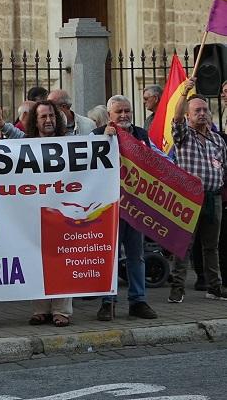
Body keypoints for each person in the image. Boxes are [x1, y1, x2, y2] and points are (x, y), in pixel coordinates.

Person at [92, 95, 159, 321]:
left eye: (127, 111)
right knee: (109, 255)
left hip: (135, 206)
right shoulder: (96, 135)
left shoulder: (141, 134)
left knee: (136, 256)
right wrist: (104, 140)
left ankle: (138, 301)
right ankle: (107, 302)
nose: (123, 115)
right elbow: (90, 167)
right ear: (109, 115)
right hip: (108, 206)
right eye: (118, 111)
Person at [169, 78, 227, 303]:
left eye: (204, 109)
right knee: (182, 245)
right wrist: (184, 93)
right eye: (196, 111)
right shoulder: (183, 136)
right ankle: (177, 287)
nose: (202, 113)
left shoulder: (217, 140)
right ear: (188, 115)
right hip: (188, 199)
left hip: (212, 198)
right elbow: (175, 118)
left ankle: (214, 286)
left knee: (211, 246)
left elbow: (222, 165)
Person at [24, 100, 73, 327]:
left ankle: (61, 310)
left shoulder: (69, 144)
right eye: (43, 117)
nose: (48, 120)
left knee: (61, 259)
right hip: (34, 210)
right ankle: (40, 309)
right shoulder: (25, 146)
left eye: (51, 116)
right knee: (36, 259)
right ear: (35, 121)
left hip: (61, 210)